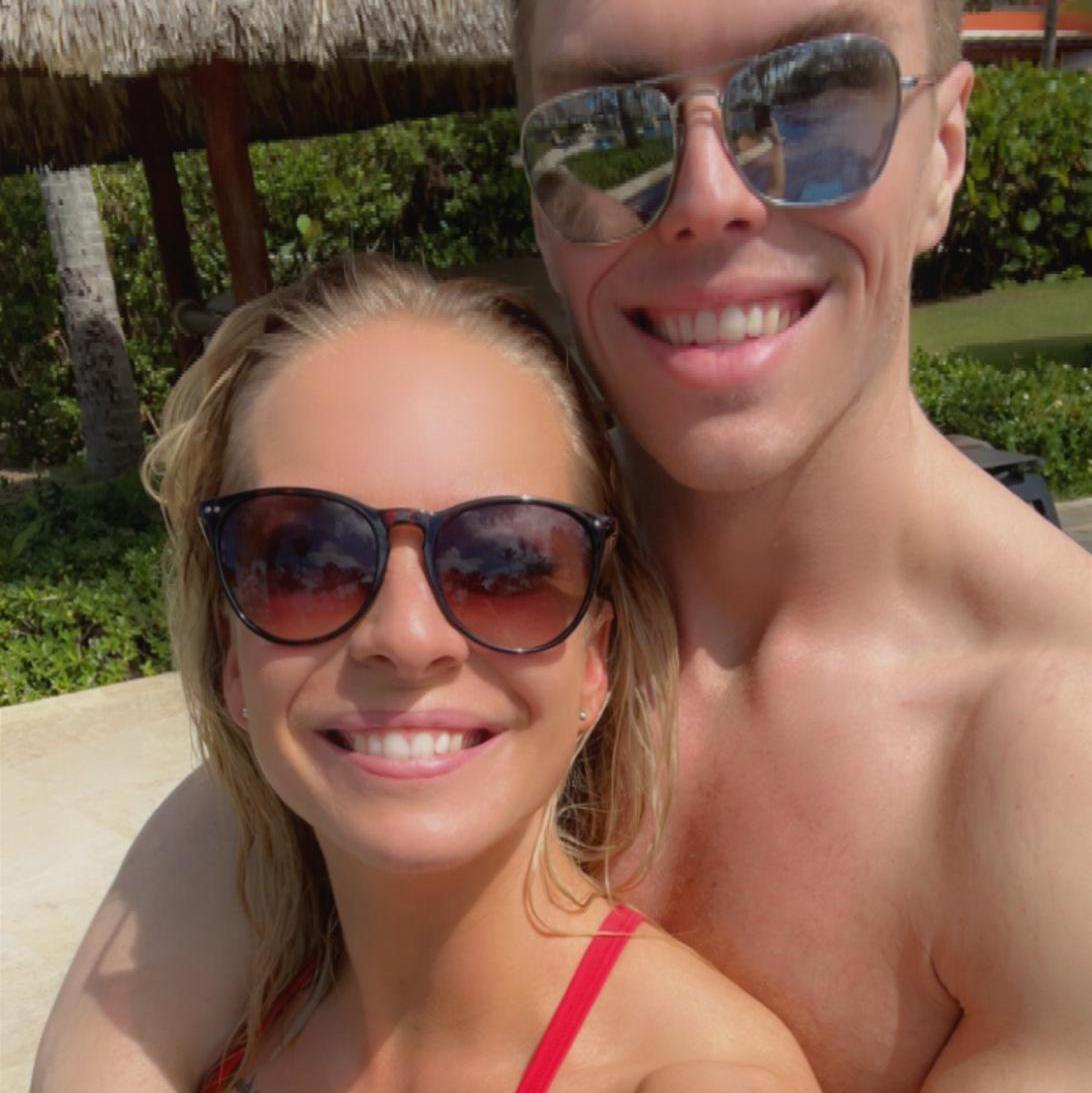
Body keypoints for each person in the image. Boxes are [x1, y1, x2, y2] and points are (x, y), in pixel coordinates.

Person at [33, 2, 1092, 1091]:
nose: (708, 196)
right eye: (610, 128)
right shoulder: (453, 599)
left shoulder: (1056, 759)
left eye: (815, 101)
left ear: (943, 152)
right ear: (542, 201)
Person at [33, 252, 817, 1092]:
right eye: (306, 561)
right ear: (233, 657)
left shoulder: (698, 1075)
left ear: (596, 661)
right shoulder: (212, 1016)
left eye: (505, 566)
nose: (407, 636)